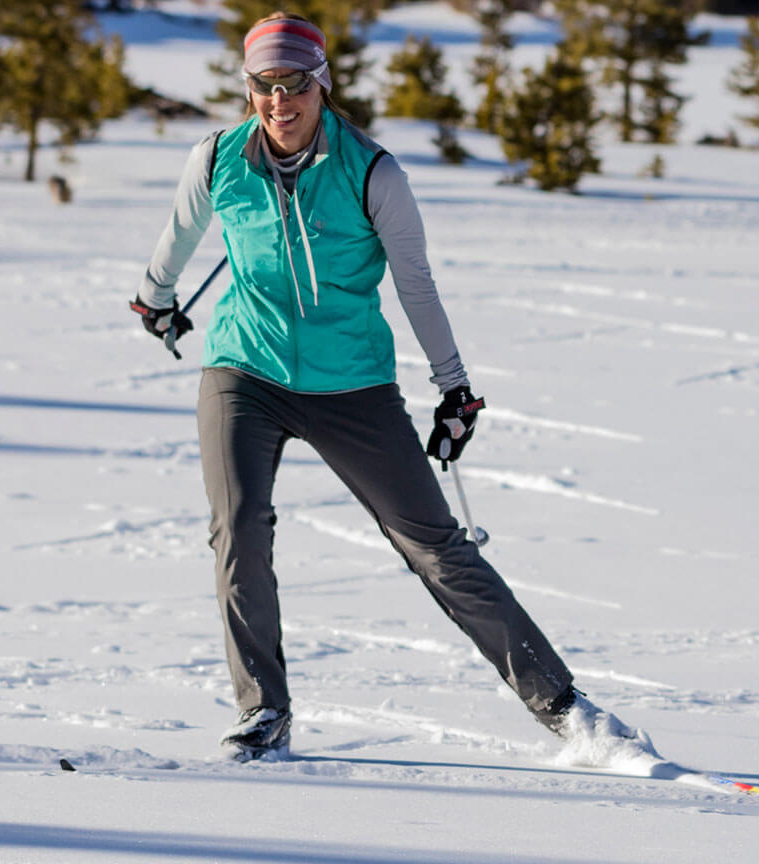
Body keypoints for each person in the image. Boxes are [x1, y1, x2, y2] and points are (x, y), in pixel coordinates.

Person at [130, 12, 659, 771]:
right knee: (239, 527)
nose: (281, 102)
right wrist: (155, 298)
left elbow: (416, 284)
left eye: (296, 85)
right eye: (265, 86)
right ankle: (263, 712)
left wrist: (455, 389)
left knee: (437, 549)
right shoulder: (217, 159)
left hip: (353, 384)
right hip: (243, 368)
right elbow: (176, 240)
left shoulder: (374, 172)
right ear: (247, 88)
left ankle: (570, 711)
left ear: (323, 84)